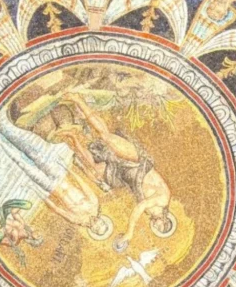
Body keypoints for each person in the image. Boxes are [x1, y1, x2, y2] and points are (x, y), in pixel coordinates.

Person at [0, 109, 112, 240]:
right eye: (100, 224)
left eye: (96, 228)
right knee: (33, 151)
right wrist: (67, 169)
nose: (97, 224)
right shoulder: (94, 204)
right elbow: (82, 184)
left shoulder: (78, 220)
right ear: (102, 220)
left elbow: (57, 209)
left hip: (50, 187)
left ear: (92, 230)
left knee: (22, 164)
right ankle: (3, 125)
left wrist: (38, 192)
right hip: (60, 176)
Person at [63, 92, 174, 249]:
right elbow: (140, 206)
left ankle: (73, 136)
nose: (156, 227)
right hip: (137, 164)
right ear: (165, 220)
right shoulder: (163, 200)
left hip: (126, 176)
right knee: (106, 136)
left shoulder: (152, 212)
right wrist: (129, 233)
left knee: (95, 171)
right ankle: (78, 99)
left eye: (157, 229)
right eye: (161, 227)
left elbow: (136, 194)